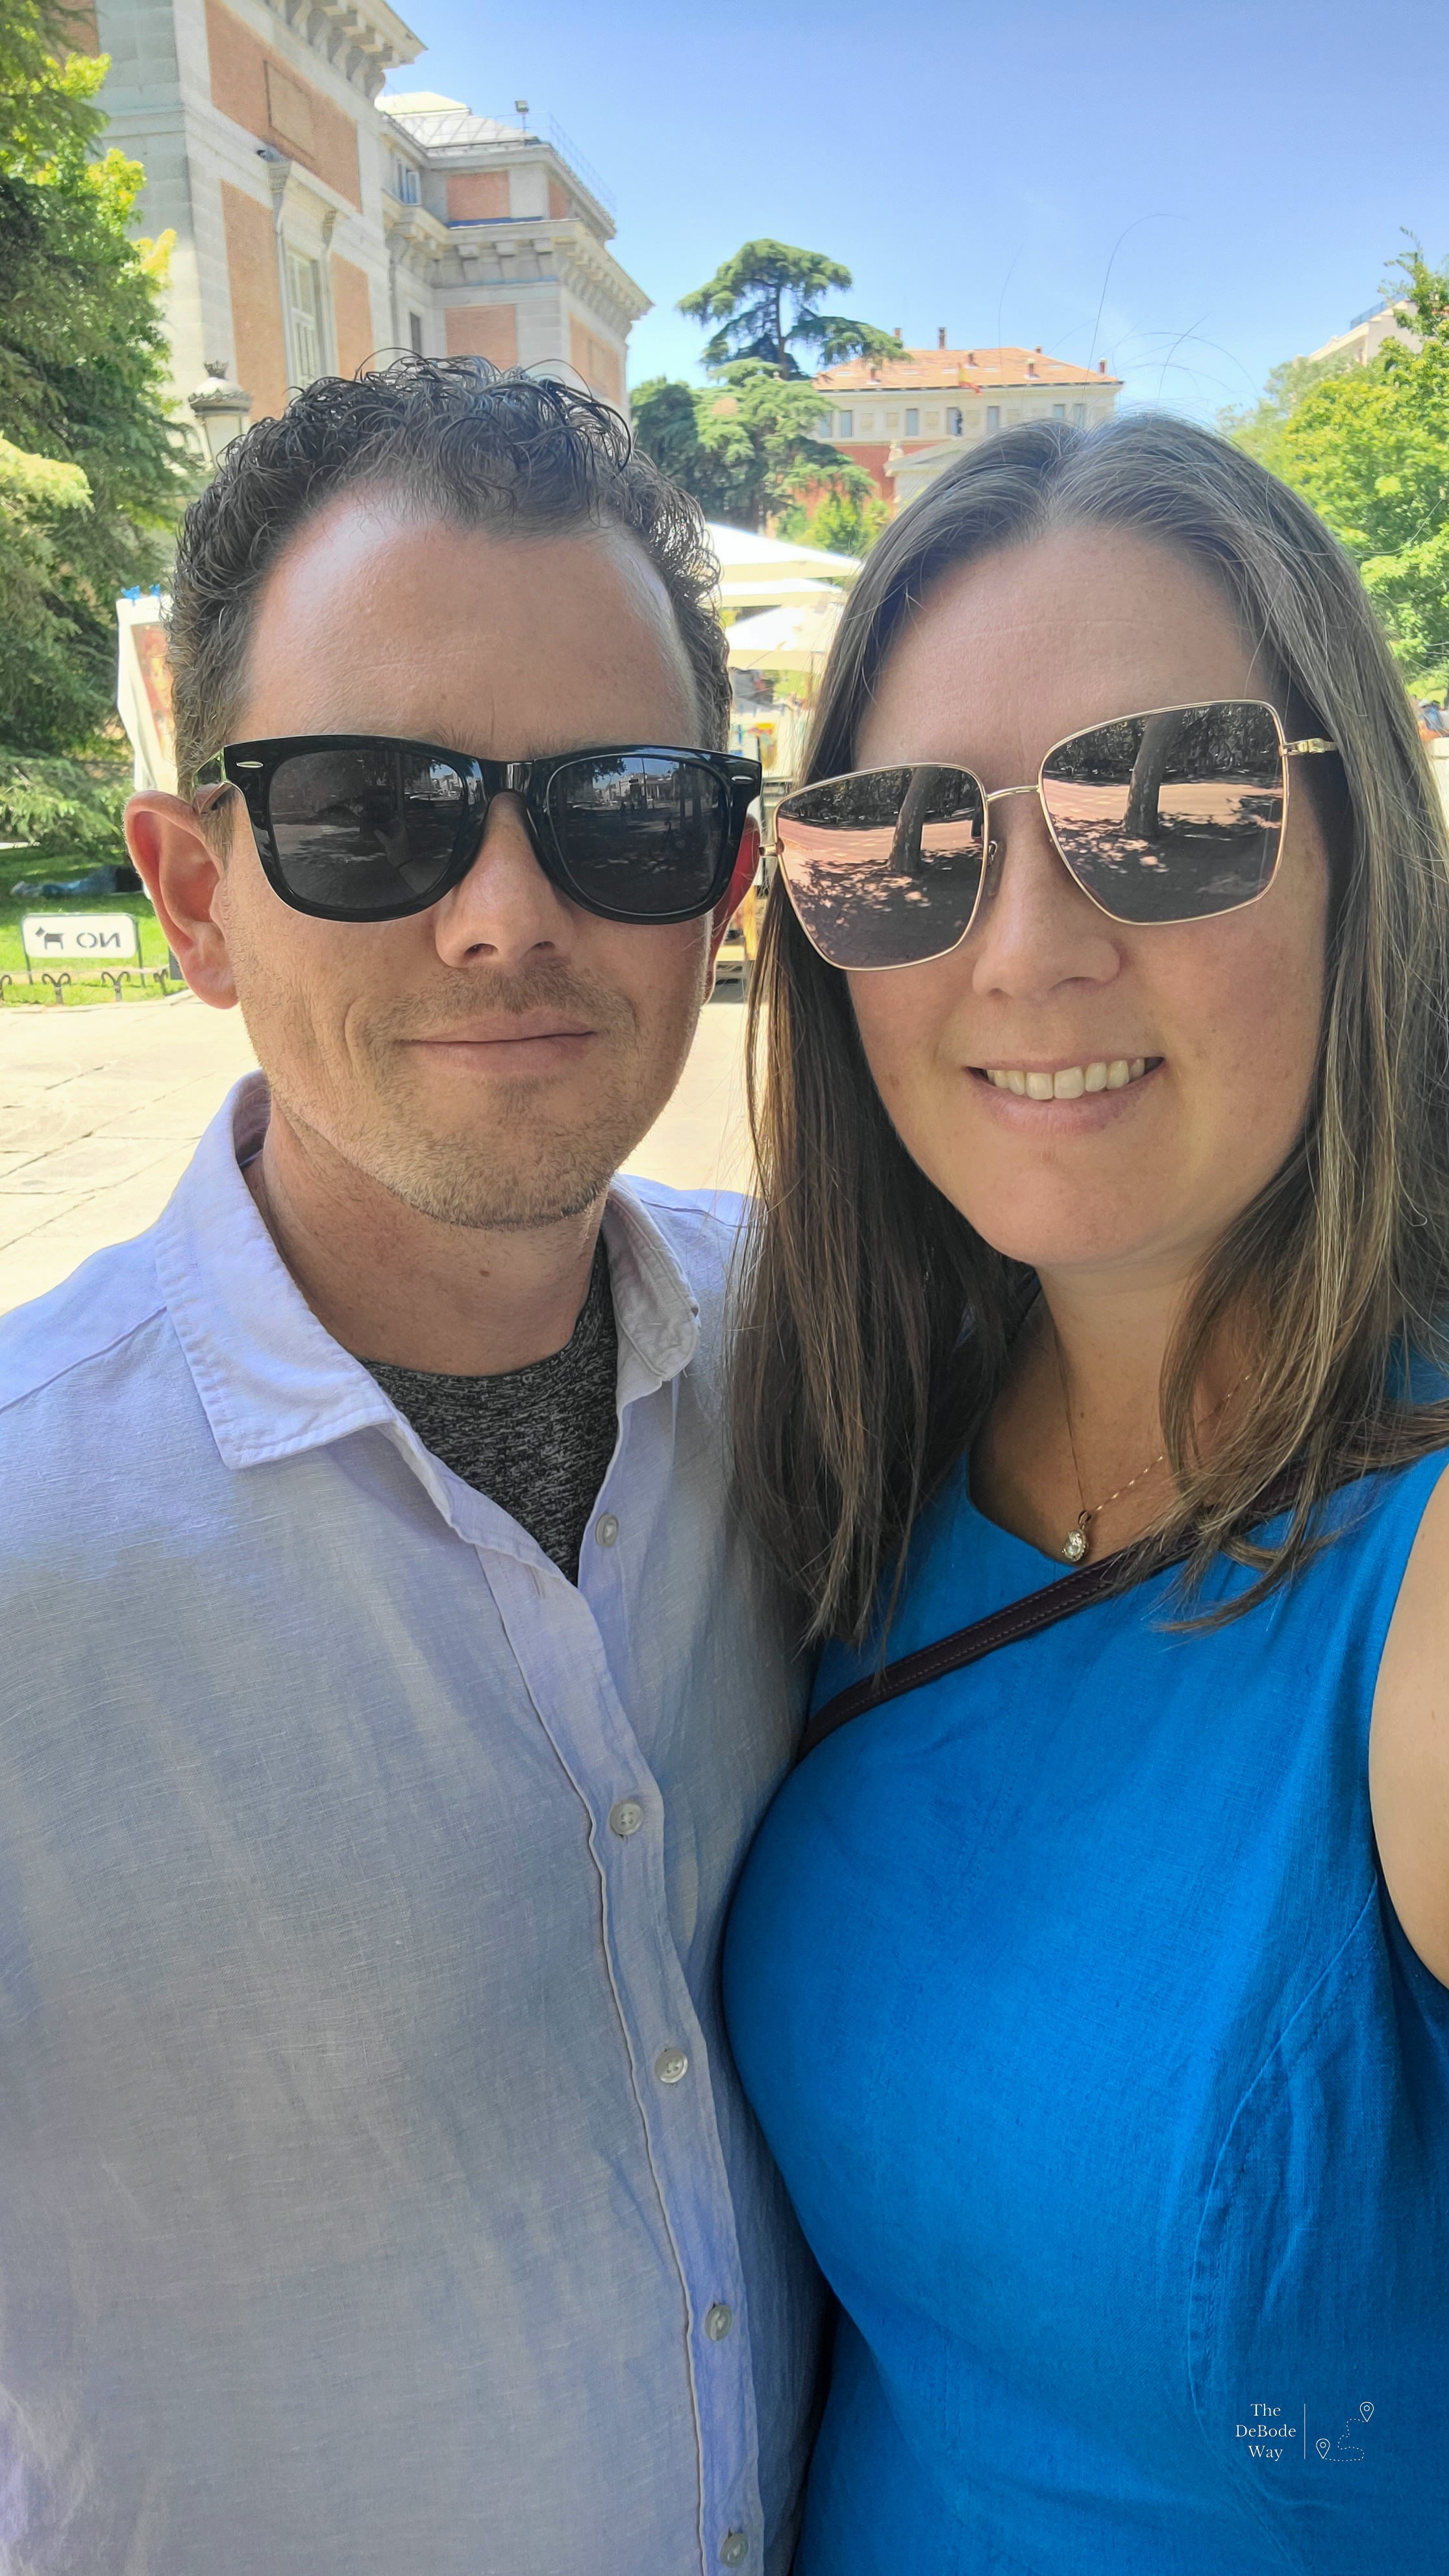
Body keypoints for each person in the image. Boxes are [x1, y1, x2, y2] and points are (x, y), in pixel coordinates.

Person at [0, 361, 823, 2574]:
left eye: (623, 809)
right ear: (194, 896)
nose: (506, 915)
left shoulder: (823, 1358)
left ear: (724, 884)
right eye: (377, 810)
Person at [723, 414, 1449, 2573]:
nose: (1024, 949)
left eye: (1170, 806)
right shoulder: (838, 1448)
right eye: (903, 840)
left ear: (1359, 849)